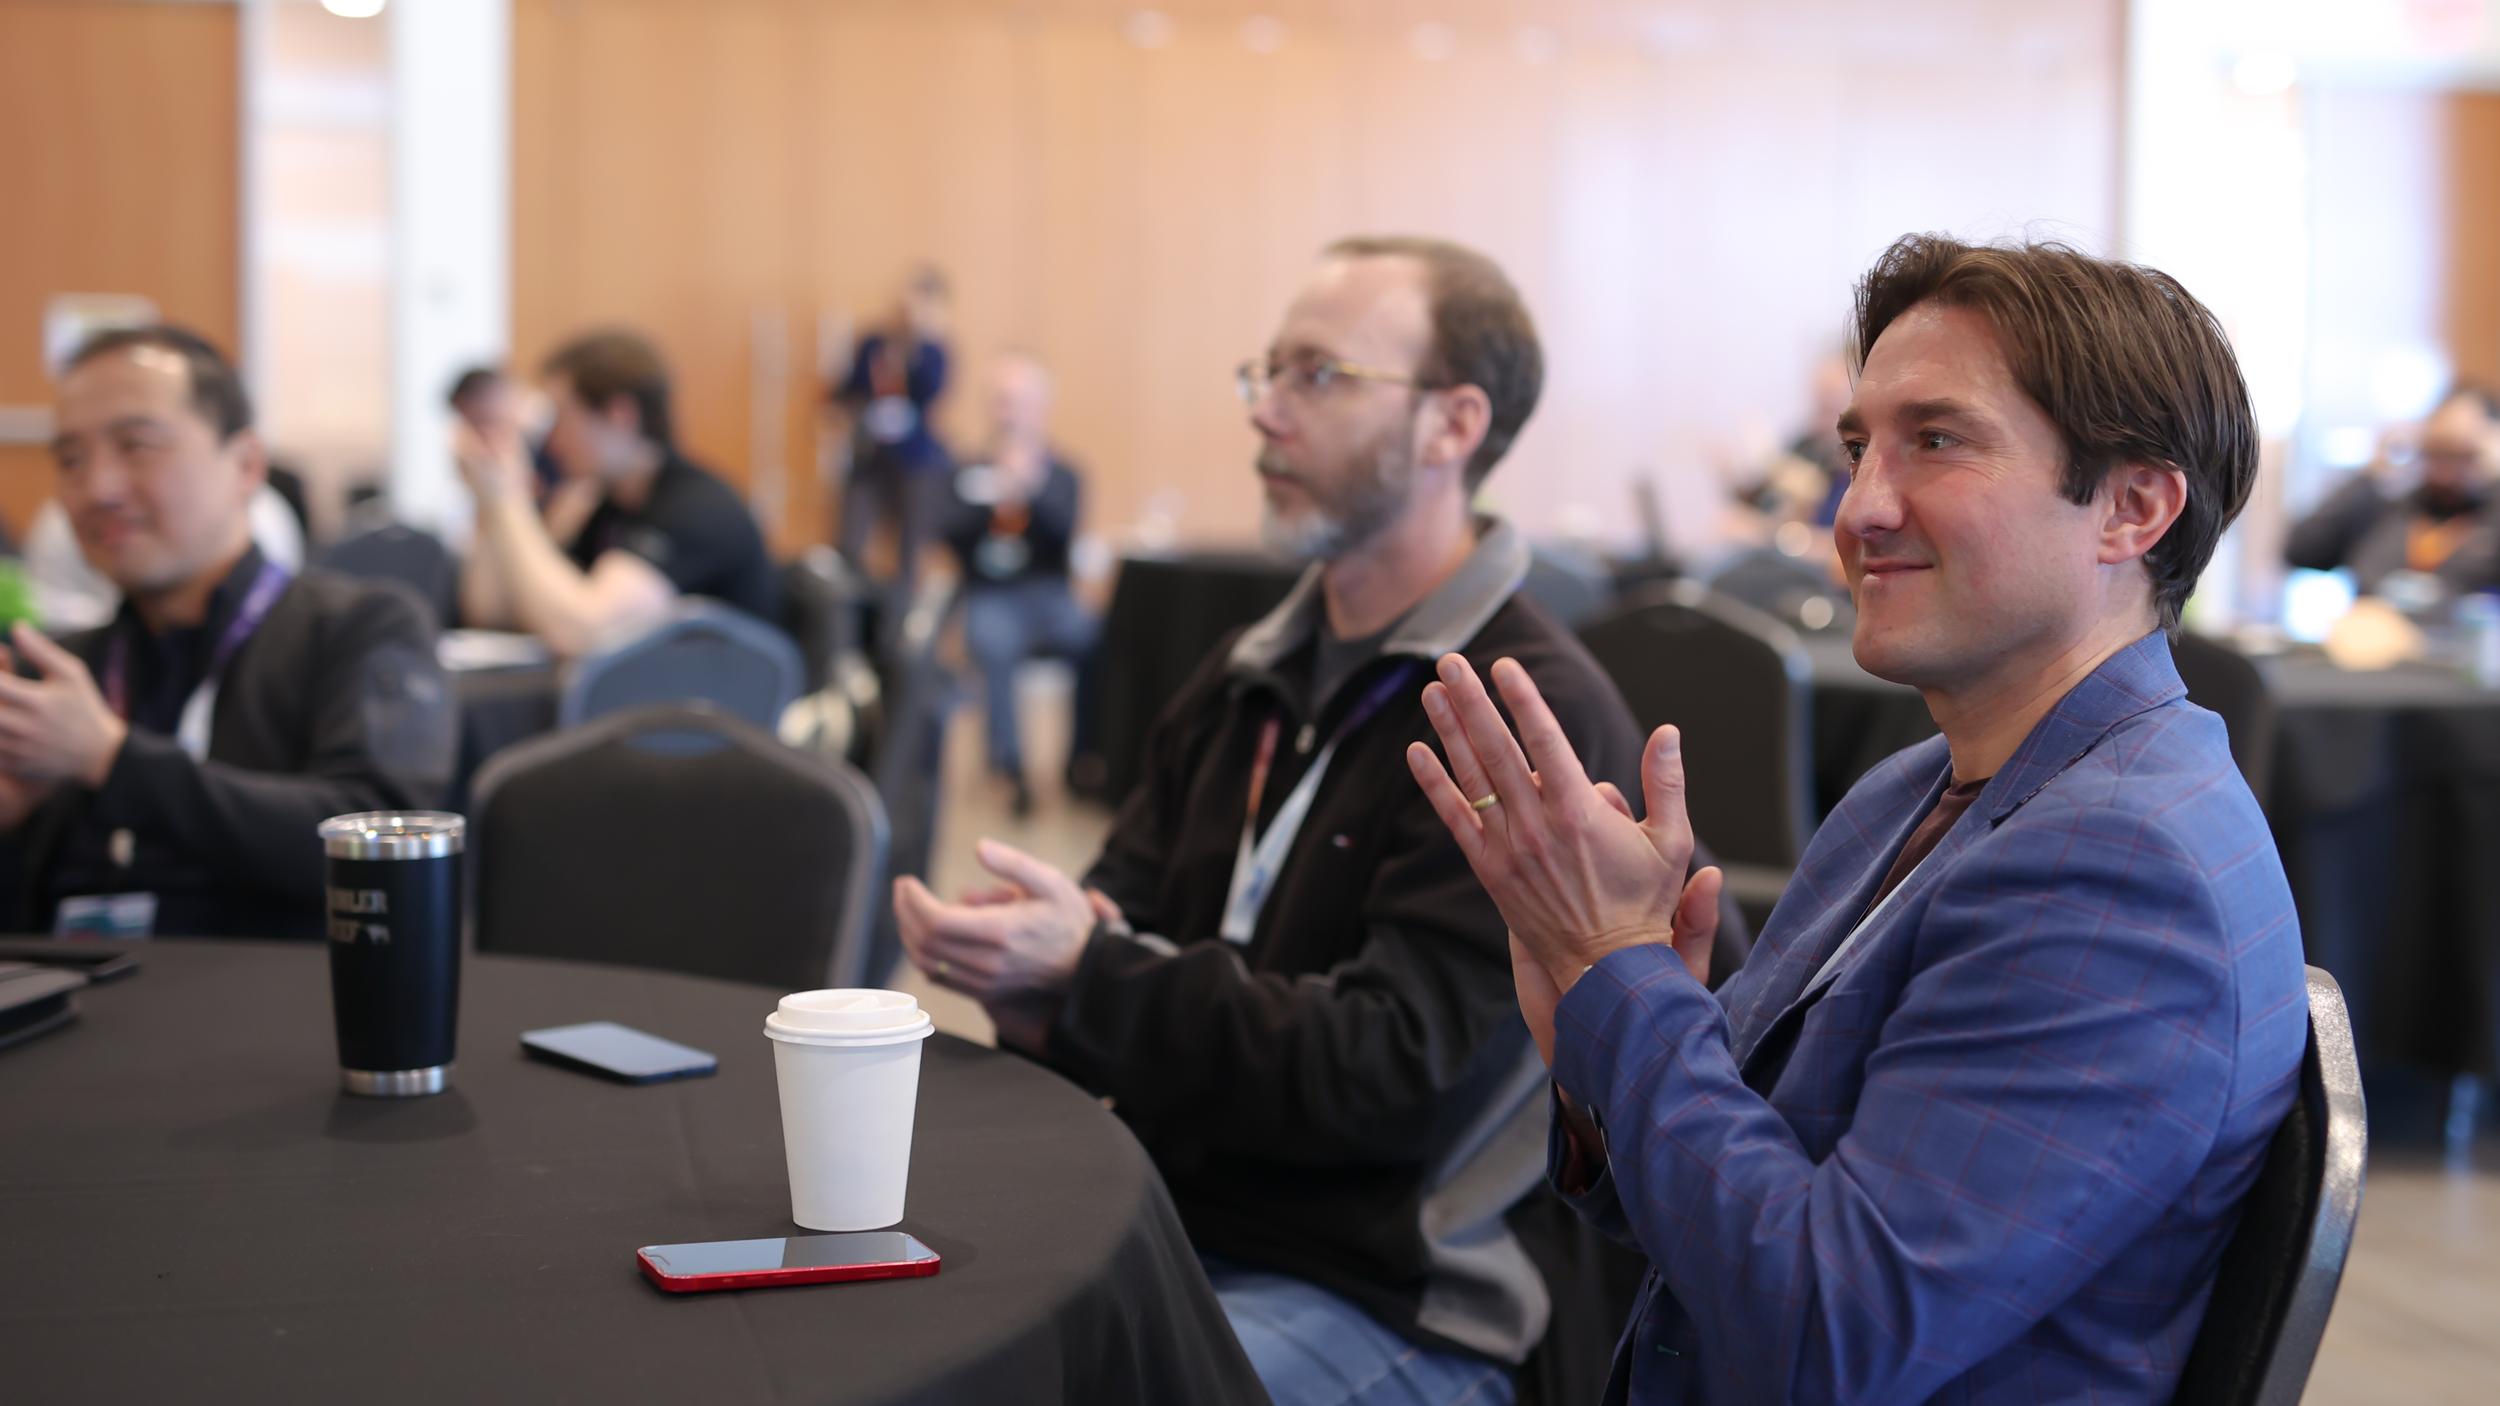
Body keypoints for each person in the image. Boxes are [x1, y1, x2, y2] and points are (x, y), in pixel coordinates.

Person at [1408, 235, 2308, 1404]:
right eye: (1855, 448)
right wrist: (1602, 1029)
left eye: (1934, 441)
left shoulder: (2120, 868)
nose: (1858, 508)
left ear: (2131, 508)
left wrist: (1619, 975)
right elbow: (1722, 1207)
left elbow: (1826, 1334)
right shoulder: (1918, 785)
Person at [894, 236, 1740, 1406]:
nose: (1266, 413)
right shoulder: (1249, 671)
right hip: (1171, 1219)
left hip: (1391, 1288)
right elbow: (1123, 912)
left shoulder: (1517, 719)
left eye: (1320, 376)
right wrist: (1037, 978)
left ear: (1452, 425)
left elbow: (1387, 1075)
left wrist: (1092, 974)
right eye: (1269, 372)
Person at [0, 326, 455, 940]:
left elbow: (378, 844)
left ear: (245, 465)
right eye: (71, 460)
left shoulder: (360, 628)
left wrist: (112, 759)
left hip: (272, 992)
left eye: (136, 446)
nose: (99, 488)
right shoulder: (61, 675)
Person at [456, 330, 777, 655]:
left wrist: (509, 497)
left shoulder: (699, 508)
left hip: (717, 687)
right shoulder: (606, 505)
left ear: (620, 415)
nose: (552, 440)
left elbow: (584, 632)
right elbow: (492, 611)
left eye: (563, 417)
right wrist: (489, 504)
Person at [940, 353, 1098, 817]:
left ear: (1041, 408)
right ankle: (1009, 768)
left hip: (1048, 594)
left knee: (1095, 636)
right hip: (991, 593)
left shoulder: (1063, 475)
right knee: (993, 641)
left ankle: (1083, 761)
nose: (1010, 413)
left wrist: (1029, 489)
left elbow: (1064, 538)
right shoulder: (968, 472)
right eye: (1002, 401)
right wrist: (993, 497)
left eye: (1020, 401)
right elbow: (950, 536)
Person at [2286, 382, 2500, 600]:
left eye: (2462, 456)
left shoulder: (2492, 518)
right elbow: (2301, 550)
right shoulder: (2388, 507)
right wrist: (2372, 474)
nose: (2445, 472)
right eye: (2437, 453)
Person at [832, 267, 953, 589]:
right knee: (849, 538)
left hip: (915, 461)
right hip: (871, 454)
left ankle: (902, 605)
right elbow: (848, 388)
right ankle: (847, 599)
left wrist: (917, 345)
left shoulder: (935, 351)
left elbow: (931, 392)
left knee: (911, 546)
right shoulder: (874, 344)